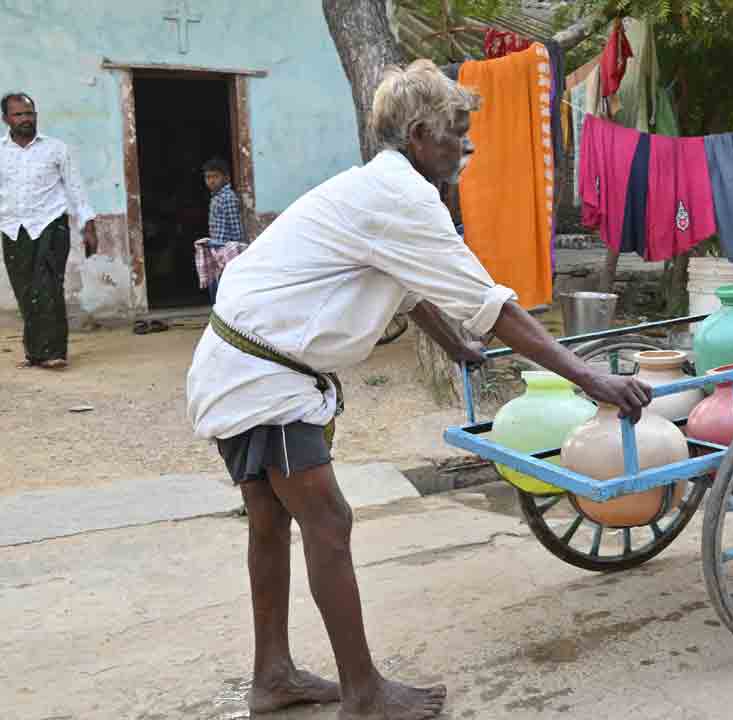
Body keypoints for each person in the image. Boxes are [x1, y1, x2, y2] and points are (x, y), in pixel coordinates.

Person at [185, 59, 651, 720]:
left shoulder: (379, 189)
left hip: (238, 362)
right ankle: (364, 694)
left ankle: (274, 675)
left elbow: (407, 280)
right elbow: (493, 305)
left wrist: (455, 341)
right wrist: (589, 374)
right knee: (328, 520)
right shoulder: (403, 196)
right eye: (459, 132)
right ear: (424, 132)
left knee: (270, 519)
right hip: (264, 379)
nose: (468, 146)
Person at [0, 92, 98, 370]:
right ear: (6, 118)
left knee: (49, 287)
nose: (26, 119)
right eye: (19, 114)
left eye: (30, 113)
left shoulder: (56, 149)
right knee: (25, 290)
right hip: (12, 229)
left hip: (50, 224)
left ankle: (55, 351)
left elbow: (75, 188)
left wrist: (87, 225)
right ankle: (35, 352)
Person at [194, 156, 246, 303]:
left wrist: (236, 250)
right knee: (215, 286)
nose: (211, 181)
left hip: (226, 250)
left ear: (226, 178)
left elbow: (236, 227)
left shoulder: (227, 197)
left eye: (215, 176)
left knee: (223, 288)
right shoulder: (216, 198)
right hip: (217, 249)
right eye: (208, 177)